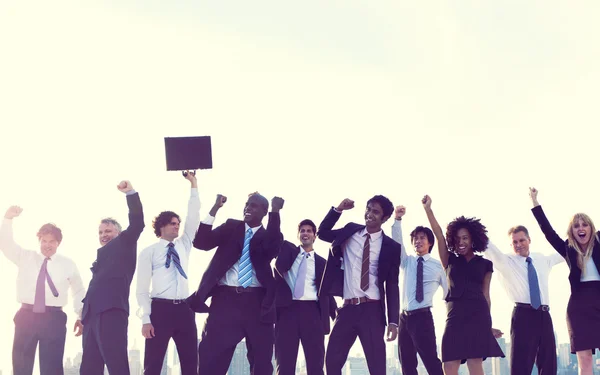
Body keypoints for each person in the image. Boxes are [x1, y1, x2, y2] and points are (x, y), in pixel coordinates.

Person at [187, 192, 284, 375]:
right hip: (225, 302)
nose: (247, 208)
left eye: (253, 206)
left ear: (264, 211)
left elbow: (271, 249)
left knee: (262, 364)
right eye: (246, 204)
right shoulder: (231, 227)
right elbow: (201, 242)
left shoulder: (271, 235)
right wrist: (215, 208)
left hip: (258, 304)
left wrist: (276, 212)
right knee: (210, 359)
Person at [318, 195, 401, 375]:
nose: (370, 214)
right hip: (347, 309)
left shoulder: (391, 247)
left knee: (377, 367)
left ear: (385, 218)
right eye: (368, 209)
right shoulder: (350, 231)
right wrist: (338, 209)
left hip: (372, 311)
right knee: (331, 362)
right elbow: (322, 233)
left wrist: (393, 320)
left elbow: (392, 285)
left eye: (376, 212)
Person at [422, 195, 503, 375]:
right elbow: (438, 235)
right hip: (455, 316)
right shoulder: (449, 260)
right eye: (458, 239)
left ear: (473, 239)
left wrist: (487, 326)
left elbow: (486, 296)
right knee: (449, 365)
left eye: (465, 238)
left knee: (475, 364)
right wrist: (428, 209)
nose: (461, 242)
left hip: (478, 314)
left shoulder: (485, 265)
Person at [0, 207, 86, 375]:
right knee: (21, 367)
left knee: (52, 369)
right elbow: (6, 244)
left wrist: (81, 314)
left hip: (54, 319)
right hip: (26, 316)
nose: (47, 245)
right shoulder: (25, 257)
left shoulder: (68, 264)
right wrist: (8, 219)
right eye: (44, 241)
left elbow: (78, 291)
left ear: (58, 243)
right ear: (39, 241)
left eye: (51, 241)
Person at [530, 187, 600, 375]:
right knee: (584, 360)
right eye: (576, 226)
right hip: (579, 308)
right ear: (572, 231)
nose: (581, 228)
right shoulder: (568, 250)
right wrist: (535, 203)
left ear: (591, 228)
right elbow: (547, 231)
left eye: (584, 224)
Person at [136, 171, 200, 375]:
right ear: (161, 226)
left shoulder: (184, 244)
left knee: (190, 365)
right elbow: (141, 289)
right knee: (153, 366)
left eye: (178, 224)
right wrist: (146, 318)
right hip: (159, 311)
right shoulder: (149, 252)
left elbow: (193, 216)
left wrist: (194, 185)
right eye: (172, 223)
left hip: (185, 310)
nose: (177, 226)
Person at [80, 180, 145, 375]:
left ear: (118, 233)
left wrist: (130, 193)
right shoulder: (101, 257)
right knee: (89, 368)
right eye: (100, 232)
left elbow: (137, 223)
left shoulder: (125, 243)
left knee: (116, 364)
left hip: (111, 313)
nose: (103, 235)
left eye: (108, 231)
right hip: (91, 317)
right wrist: (82, 314)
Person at [484, 223, 563, 374]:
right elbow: (488, 245)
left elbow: (565, 252)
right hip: (523, 316)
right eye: (514, 242)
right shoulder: (506, 262)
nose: (518, 245)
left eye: (522, 240)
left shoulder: (541, 259)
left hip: (544, 315)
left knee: (549, 365)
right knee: (521, 366)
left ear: (529, 240)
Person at [274, 219, 337, 375]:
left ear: (315, 236)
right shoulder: (287, 253)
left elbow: (326, 292)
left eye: (309, 231)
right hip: (287, 311)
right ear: (298, 235)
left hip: (313, 312)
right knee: (284, 364)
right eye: (302, 230)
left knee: (316, 364)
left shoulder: (323, 263)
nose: (305, 233)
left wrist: (335, 314)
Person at [391, 205, 446, 375]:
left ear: (429, 242)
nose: (418, 241)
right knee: (406, 363)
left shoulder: (438, 267)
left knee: (431, 361)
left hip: (422, 317)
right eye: (415, 238)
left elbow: (449, 294)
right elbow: (397, 243)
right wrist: (397, 220)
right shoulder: (407, 262)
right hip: (404, 318)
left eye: (422, 238)